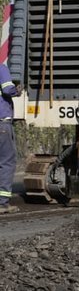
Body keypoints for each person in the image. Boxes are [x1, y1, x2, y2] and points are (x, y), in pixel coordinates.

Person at [0, 62, 19, 215]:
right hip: (2, 124)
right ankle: (2, 203)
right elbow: (7, 89)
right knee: (6, 162)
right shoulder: (1, 68)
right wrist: (17, 89)